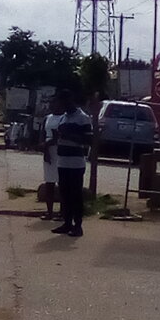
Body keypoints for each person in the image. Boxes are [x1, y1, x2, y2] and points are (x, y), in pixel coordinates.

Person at [51, 90, 92, 238]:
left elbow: (88, 140)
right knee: (65, 194)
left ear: (69, 101)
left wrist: (68, 135)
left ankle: (78, 226)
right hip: (62, 161)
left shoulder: (83, 118)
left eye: (62, 102)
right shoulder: (63, 118)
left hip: (76, 163)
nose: (60, 105)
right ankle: (67, 223)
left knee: (76, 195)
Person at [40, 97, 64, 220]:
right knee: (49, 183)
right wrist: (44, 149)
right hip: (48, 152)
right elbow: (43, 135)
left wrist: (48, 144)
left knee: (62, 183)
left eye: (55, 103)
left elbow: (59, 137)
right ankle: (49, 212)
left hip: (60, 152)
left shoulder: (64, 118)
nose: (52, 106)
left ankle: (62, 212)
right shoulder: (47, 118)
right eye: (51, 103)